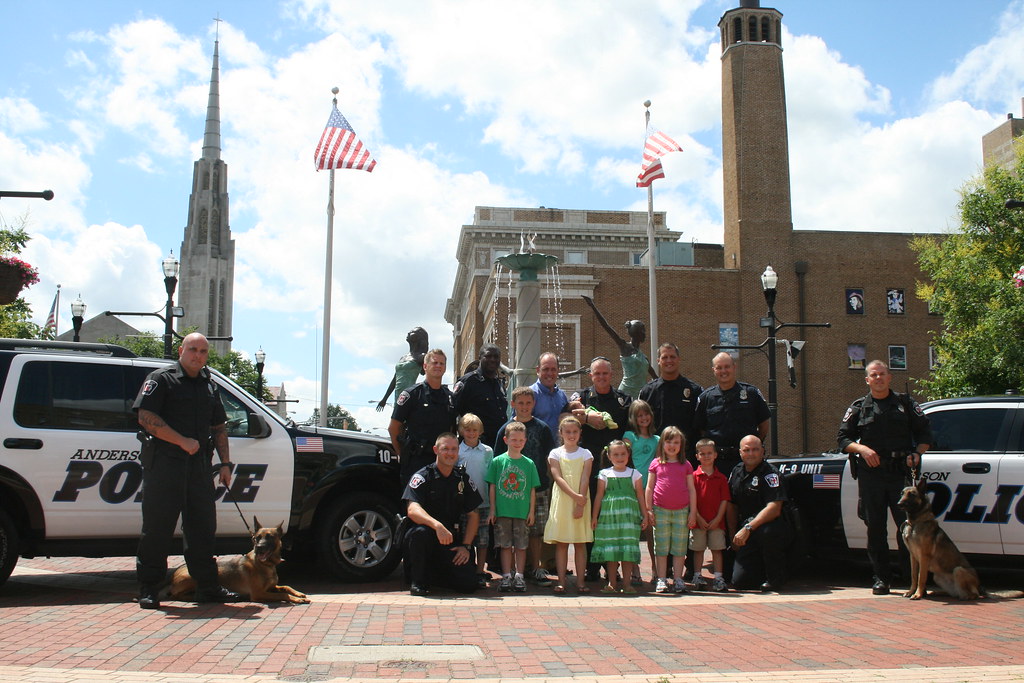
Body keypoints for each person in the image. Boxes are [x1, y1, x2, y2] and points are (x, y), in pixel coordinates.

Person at [133, 332, 240, 609]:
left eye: (203, 352)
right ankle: (149, 588)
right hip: (165, 463)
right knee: (158, 528)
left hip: (198, 466)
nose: (198, 356)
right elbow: (145, 417)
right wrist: (181, 440)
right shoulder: (161, 379)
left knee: (203, 527)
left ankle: (207, 587)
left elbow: (218, 427)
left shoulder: (209, 385)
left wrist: (225, 464)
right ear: (181, 350)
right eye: (193, 349)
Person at [837, 359, 932, 596]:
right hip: (872, 475)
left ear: (890, 377)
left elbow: (925, 433)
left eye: (882, 374)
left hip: (901, 473)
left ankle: (910, 577)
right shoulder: (859, 407)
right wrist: (863, 450)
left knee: (907, 527)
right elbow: (843, 439)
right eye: (873, 375)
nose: (878, 378)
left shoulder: (906, 403)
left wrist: (917, 454)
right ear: (867, 380)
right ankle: (881, 578)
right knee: (875, 528)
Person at [568, 356, 632, 581]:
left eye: (605, 373)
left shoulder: (623, 400)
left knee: (610, 515)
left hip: (614, 466)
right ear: (591, 375)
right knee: (589, 515)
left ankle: (610, 563)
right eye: (597, 374)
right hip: (589, 465)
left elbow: (629, 432)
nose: (601, 377)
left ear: (611, 374)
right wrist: (585, 417)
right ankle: (592, 565)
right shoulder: (582, 397)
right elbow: (568, 416)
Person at [403, 432, 483, 596]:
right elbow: (412, 509)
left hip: (450, 539)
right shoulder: (423, 476)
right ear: (436, 450)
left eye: (454, 449)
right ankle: (418, 581)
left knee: (468, 585)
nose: (450, 453)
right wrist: (436, 525)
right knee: (420, 533)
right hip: (426, 537)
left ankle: (435, 575)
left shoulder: (462, 479)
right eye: (445, 449)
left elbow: (473, 514)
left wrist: (466, 546)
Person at [494, 386, 555, 587]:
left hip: (538, 487)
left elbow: (549, 457)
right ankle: (510, 572)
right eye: (520, 403)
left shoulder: (542, 428)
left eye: (528, 402)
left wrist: (549, 481)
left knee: (536, 530)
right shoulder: (505, 429)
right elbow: (497, 460)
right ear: (513, 404)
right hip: (510, 492)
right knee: (511, 533)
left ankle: (535, 568)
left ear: (534, 404)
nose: (525, 406)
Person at [728, 435, 793, 592]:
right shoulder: (737, 471)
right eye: (747, 450)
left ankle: (775, 578)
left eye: (755, 449)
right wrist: (732, 536)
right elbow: (732, 505)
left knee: (768, 532)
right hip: (746, 529)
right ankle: (758, 571)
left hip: (768, 527)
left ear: (763, 451)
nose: (751, 453)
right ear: (740, 452)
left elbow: (774, 508)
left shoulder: (770, 473)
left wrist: (748, 528)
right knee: (739, 582)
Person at [693, 352, 770, 473]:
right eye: (719, 367)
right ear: (714, 370)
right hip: (717, 463)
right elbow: (701, 429)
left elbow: (764, 424)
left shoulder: (751, 393)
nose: (723, 371)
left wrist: (753, 447)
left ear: (734, 367)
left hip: (746, 461)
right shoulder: (706, 398)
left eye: (727, 366)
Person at [486, 421, 540, 592]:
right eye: (514, 440)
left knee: (521, 545)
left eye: (521, 440)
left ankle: (520, 575)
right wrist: (493, 509)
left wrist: (531, 511)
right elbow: (493, 486)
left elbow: (532, 489)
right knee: (505, 545)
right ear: (506, 439)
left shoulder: (529, 463)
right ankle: (506, 575)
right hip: (503, 511)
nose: (517, 443)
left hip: (521, 512)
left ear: (525, 441)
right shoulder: (497, 462)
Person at [389, 348, 457, 486]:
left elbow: (451, 429)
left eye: (442, 363)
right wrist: (403, 455)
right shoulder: (412, 394)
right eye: (435, 362)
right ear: (425, 366)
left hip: (441, 461)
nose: (438, 366)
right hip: (416, 461)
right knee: (414, 504)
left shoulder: (450, 397)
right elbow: (393, 428)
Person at [544, 415, 594, 594]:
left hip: (581, 500)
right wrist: (575, 496)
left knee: (580, 543)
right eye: (568, 432)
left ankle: (581, 582)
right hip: (563, 500)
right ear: (561, 433)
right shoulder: (555, 453)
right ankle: (561, 582)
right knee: (562, 543)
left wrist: (580, 502)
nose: (571, 435)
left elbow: (585, 477)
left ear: (580, 433)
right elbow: (557, 477)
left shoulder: (586, 454)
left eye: (575, 431)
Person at [590, 440, 648, 594]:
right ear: (609, 456)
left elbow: (641, 496)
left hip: (629, 519)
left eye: (623, 454)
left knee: (627, 549)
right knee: (612, 549)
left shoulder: (635, 474)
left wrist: (645, 515)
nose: (620, 457)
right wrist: (595, 516)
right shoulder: (604, 474)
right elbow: (599, 496)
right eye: (616, 454)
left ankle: (627, 584)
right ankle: (612, 583)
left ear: (628, 455)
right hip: (609, 519)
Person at [645, 426, 696, 594]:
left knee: (680, 548)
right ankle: (661, 579)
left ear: (681, 445)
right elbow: (649, 488)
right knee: (661, 547)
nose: (672, 446)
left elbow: (691, 489)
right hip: (660, 511)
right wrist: (649, 509)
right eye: (668, 441)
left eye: (676, 442)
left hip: (682, 511)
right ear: (662, 443)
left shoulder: (686, 465)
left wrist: (693, 512)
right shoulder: (656, 463)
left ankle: (678, 579)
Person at [637, 343, 702, 462]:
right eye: (664, 357)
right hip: (656, 456)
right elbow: (639, 426)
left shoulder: (694, 390)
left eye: (672, 357)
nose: (669, 361)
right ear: (658, 361)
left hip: (686, 457)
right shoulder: (648, 391)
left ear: (679, 359)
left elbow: (700, 426)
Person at [581, 295, 656, 398]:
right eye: (643, 331)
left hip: (640, 396)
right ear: (637, 333)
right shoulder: (625, 348)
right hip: (625, 395)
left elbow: (656, 378)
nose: (645, 334)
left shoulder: (643, 357)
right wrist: (593, 306)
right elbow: (607, 327)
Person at [623, 399, 659, 582]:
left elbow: (660, 464)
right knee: (633, 532)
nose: (643, 418)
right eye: (639, 415)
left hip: (649, 491)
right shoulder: (630, 436)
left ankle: (655, 568)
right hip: (631, 488)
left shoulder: (657, 440)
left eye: (646, 414)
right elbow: (623, 458)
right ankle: (634, 570)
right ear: (634, 418)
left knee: (651, 531)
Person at [457, 413, 493, 588]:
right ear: (462, 431)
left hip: (484, 501)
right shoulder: (457, 450)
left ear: (480, 431)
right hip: (465, 504)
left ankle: (480, 571)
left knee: (483, 540)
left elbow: (491, 476)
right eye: (468, 430)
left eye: (474, 430)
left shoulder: (487, 451)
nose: (471, 433)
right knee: (466, 537)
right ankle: (468, 569)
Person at [690, 439, 730, 592]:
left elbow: (724, 500)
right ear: (697, 456)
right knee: (698, 549)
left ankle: (718, 578)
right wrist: (697, 517)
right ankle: (697, 575)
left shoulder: (721, 478)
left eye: (709, 453)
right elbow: (690, 499)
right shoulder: (693, 477)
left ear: (715, 455)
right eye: (702, 453)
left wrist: (718, 518)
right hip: (698, 521)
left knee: (717, 549)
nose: (706, 456)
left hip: (716, 522)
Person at [454, 345, 509, 449]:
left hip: (498, 444)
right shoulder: (468, 381)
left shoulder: (498, 383)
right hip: (475, 446)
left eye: (496, 356)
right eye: (488, 356)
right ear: (480, 358)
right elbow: (453, 411)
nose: (492, 359)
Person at [376, 327, 429, 411]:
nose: (408, 333)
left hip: (410, 395)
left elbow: (428, 375)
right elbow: (395, 380)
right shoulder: (403, 358)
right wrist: (384, 399)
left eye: (412, 332)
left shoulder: (421, 356)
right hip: (398, 396)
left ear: (419, 337)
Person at [530, 352, 571, 442]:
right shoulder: (529, 395)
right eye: (545, 369)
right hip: (536, 451)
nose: (550, 373)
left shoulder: (562, 396)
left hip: (559, 452)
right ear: (538, 370)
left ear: (558, 371)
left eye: (553, 369)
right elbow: (516, 426)